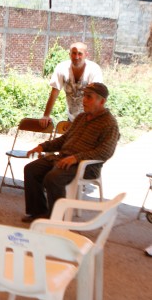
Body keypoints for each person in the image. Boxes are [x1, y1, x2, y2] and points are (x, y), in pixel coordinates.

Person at [22, 83, 119, 222]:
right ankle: (38, 212)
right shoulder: (81, 118)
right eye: (84, 96)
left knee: (53, 178)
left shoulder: (109, 123)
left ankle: (56, 219)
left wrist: (77, 158)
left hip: (86, 167)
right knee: (31, 169)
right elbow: (64, 139)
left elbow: (105, 152)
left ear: (102, 101)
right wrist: (43, 146)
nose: (84, 100)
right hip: (62, 158)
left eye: (89, 97)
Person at [39, 41, 103, 127]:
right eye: (74, 53)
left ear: (86, 55)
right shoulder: (62, 68)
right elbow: (54, 93)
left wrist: (94, 119)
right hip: (72, 118)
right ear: (69, 54)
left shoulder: (94, 69)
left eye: (80, 54)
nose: (76, 57)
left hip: (90, 119)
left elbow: (97, 97)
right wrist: (46, 116)